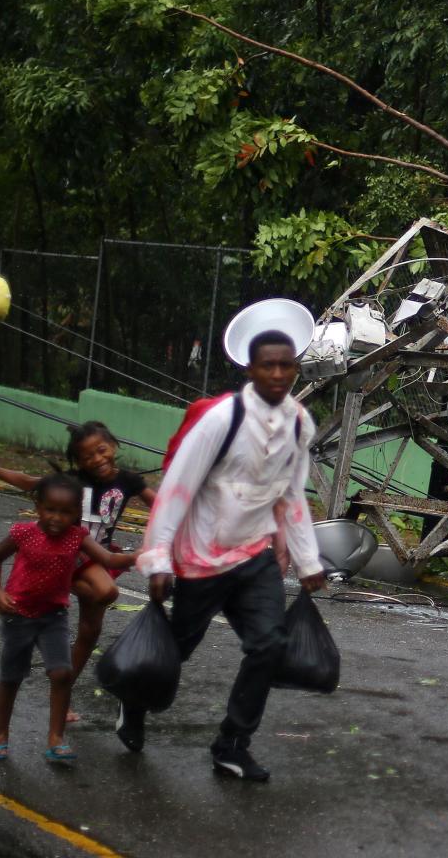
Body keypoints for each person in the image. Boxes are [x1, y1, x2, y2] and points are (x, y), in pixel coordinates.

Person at [124, 329, 323, 781]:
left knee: (269, 645)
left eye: (286, 365)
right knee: (176, 651)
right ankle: (134, 702)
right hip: (202, 557)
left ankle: (232, 744)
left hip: (255, 556)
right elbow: (178, 487)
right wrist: (157, 557)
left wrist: (308, 560)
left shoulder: (298, 423)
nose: (277, 374)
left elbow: (292, 496)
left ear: (296, 369)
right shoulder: (222, 419)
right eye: (267, 365)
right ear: (249, 370)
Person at [0, 421, 155, 719]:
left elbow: (161, 504)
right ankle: (65, 583)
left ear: (113, 446)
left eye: (101, 450)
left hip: (99, 556)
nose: (97, 459)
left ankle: (62, 697)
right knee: (107, 591)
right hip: (69, 553)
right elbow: (30, 482)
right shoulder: (72, 481)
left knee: (90, 633)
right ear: (78, 461)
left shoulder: (129, 480)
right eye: (88, 456)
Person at [0, 474, 137, 763]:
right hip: (18, 615)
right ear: (37, 507)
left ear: (77, 514)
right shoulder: (23, 533)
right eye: (50, 510)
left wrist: (137, 556)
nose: (56, 518)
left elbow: (108, 559)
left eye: (66, 512)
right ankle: (0, 735)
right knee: (11, 677)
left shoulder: (77, 537)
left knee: (62, 674)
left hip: (53, 616)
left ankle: (55, 739)